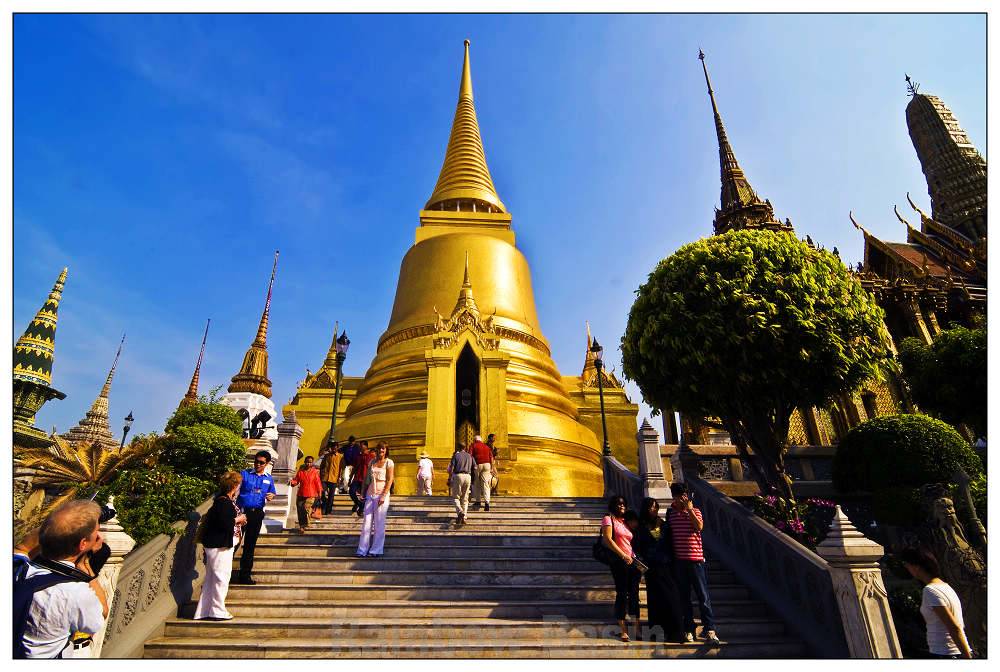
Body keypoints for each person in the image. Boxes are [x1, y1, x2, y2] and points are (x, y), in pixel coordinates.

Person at [14, 500, 109, 658]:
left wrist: (55, 526)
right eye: (96, 532)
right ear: (83, 543)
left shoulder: (17, 567)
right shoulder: (76, 593)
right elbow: (102, 613)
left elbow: (22, 548)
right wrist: (84, 564)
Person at [667, 482, 720, 645]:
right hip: (679, 561)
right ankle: (689, 629)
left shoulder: (695, 511)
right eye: (679, 496)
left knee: (703, 597)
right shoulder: (671, 514)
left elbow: (699, 527)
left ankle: (709, 629)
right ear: (673, 496)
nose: (682, 498)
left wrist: (689, 509)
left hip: (696, 560)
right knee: (684, 597)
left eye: (684, 495)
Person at [899, 547, 973, 658]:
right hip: (952, 651)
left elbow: (954, 627)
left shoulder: (930, 590)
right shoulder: (945, 586)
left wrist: (968, 657)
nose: (907, 568)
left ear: (916, 567)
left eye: (907, 565)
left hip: (945, 652)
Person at [194, 471, 247, 620]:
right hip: (219, 545)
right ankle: (217, 610)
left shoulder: (223, 501)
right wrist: (239, 519)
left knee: (212, 578)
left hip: (219, 544)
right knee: (221, 577)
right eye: (238, 485)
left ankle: (204, 610)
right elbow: (225, 523)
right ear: (234, 486)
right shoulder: (223, 502)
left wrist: (239, 521)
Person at [634, 497, 685, 643]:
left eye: (656, 507)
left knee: (672, 598)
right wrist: (642, 566)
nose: (654, 509)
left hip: (667, 566)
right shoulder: (640, 527)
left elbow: (670, 544)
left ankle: (676, 633)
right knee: (655, 601)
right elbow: (637, 548)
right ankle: (657, 633)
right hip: (651, 568)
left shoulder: (663, 524)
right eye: (651, 507)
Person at [601, 496, 641, 642]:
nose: (621, 506)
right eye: (618, 504)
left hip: (632, 562)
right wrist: (623, 555)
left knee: (634, 595)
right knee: (622, 594)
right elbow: (608, 539)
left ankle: (637, 628)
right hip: (619, 562)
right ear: (613, 505)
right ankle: (623, 630)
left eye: (623, 504)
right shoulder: (608, 519)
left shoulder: (625, 521)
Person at [235, 451, 276, 585]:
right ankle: (224, 572)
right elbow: (234, 490)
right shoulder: (244, 474)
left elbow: (272, 492)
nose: (258, 464)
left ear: (267, 463)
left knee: (250, 545)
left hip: (257, 513)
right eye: (256, 461)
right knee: (234, 542)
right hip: (242, 512)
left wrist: (271, 496)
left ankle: (245, 575)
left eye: (261, 462)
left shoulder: (268, 478)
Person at [357, 442, 395, 557]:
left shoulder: (389, 462)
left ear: (386, 450)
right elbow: (366, 479)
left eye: (383, 449)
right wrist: (362, 492)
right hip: (370, 493)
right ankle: (362, 550)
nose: (381, 451)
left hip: (381, 494)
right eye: (379, 448)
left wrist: (384, 495)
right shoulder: (372, 462)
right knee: (366, 523)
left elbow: (389, 479)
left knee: (379, 524)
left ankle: (376, 550)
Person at [290, 455, 323, 533]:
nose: (308, 464)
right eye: (307, 462)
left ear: (312, 463)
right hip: (301, 494)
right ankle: (302, 526)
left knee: (306, 508)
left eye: (310, 462)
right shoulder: (300, 472)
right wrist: (292, 482)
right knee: (300, 510)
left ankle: (306, 524)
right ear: (304, 462)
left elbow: (318, 483)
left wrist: (320, 493)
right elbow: (296, 480)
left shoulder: (314, 472)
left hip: (311, 494)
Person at [448, 442, 475, 525]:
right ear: (465, 447)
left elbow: (452, 467)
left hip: (458, 475)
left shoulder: (456, 455)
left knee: (456, 497)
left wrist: (449, 478)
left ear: (458, 447)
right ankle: (464, 517)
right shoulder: (470, 456)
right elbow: (475, 467)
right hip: (468, 476)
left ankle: (460, 511)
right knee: (465, 498)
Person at [349, 441, 375, 517]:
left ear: (366, 446)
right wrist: (350, 478)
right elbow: (354, 468)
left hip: (366, 479)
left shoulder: (371, 456)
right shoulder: (358, 456)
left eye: (361, 445)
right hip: (357, 478)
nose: (360, 447)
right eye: (360, 445)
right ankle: (358, 504)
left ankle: (360, 510)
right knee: (351, 491)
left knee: (364, 495)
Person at [469, 434, 494, 511]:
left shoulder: (473, 445)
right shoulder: (486, 447)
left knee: (477, 483)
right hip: (487, 465)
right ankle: (487, 502)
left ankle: (478, 501)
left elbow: (470, 456)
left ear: (475, 440)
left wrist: (470, 467)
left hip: (478, 464)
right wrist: (492, 468)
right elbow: (491, 457)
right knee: (485, 484)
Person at [318, 442, 342, 514]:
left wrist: (340, 478)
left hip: (334, 478)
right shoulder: (326, 456)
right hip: (325, 477)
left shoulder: (340, 457)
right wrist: (321, 475)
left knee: (331, 496)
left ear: (337, 448)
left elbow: (341, 468)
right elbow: (322, 466)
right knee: (321, 492)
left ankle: (328, 510)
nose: (334, 449)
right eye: (333, 448)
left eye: (335, 448)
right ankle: (325, 502)